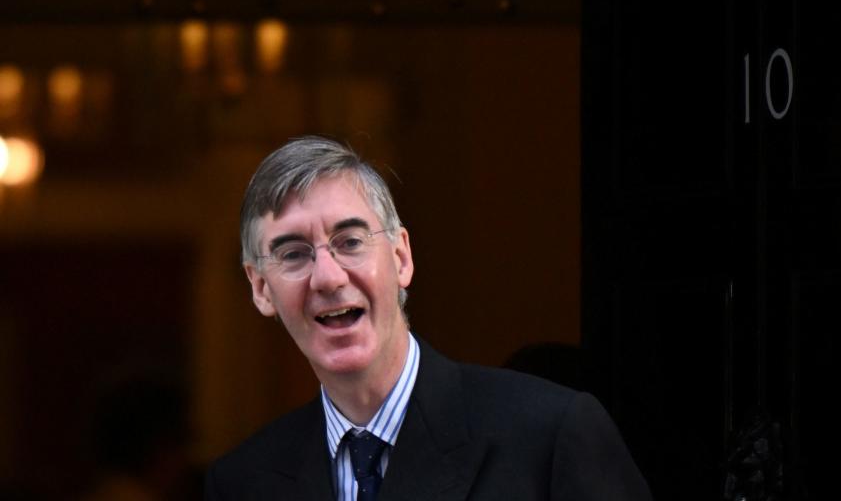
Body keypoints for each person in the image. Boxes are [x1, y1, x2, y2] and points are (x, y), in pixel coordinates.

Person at [205, 136, 653, 500]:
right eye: (293, 254)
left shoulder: (549, 437)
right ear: (261, 288)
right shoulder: (243, 482)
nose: (326, 276)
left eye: (351, 242)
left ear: (401, 257)